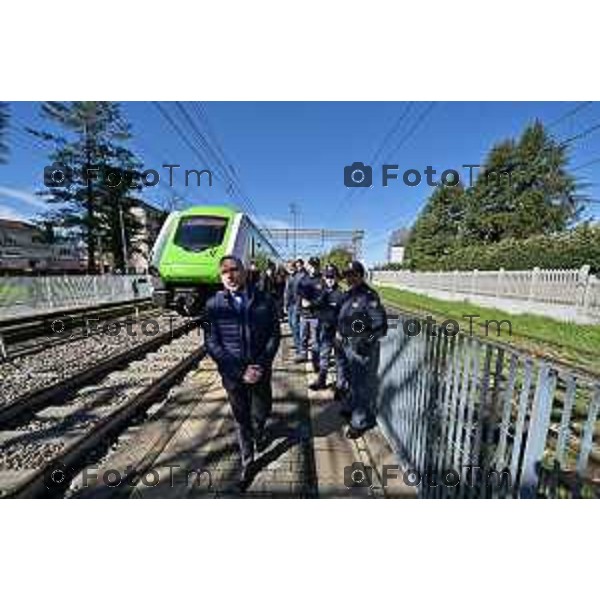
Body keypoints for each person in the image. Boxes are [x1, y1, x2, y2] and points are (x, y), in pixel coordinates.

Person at [204, 255, 281, 483]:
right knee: (241, 418)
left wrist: (261, 364)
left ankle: (259, 431)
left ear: (244, 272)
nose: (230, 275)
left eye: (234, 269)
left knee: (262, 409)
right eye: (225, 271)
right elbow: (210, 342)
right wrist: (238, 371)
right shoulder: (211, 306)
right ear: (220, 276)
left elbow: (274, 335)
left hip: (260, 370)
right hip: (233, 375)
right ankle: (247, 461)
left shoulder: (265, 300)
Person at [337, 260, 388, 438]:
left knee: (361, 386)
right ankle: (351, 408)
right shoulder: (349, 294)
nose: (349, 278)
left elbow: (380, 326)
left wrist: (365, 342)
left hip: (360, 347)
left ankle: (360, 422)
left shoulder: (369, 296)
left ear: (361, 275)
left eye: (353, 274)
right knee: (351, 381)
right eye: (347, 275)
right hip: (345, 343)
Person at [309, 264, 347, 392]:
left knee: (339, 360)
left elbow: (345, 315)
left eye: (332, 277)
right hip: (324, 330)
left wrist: (340, 331)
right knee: (323, 357)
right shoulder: (322, 292)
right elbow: (315, 308)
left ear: (337, 278)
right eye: (327, 276)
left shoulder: (341, 294)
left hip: (337, 332)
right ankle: (321, 380)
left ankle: (340, 385)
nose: (330, 279)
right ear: (324, 277)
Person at [295, 256, 323, 368]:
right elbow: (299, 295)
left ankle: (316, 360)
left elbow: (324, 297)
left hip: (316, 315)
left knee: (315, 339)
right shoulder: (303, 279)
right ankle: (303, 354)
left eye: (316, 266)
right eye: (312, 266)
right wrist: (299, 309)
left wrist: (312, 303)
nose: (314, 268)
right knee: (303, 336)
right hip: (304, 314)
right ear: (308, 266)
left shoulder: (322, 280)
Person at [285, 258, 305, 351]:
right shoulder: (288, 277)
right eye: (288, 267)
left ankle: (300, 347)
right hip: (290, 304)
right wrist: (285, 304)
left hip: (297, 304)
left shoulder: (300, 276)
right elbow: (286, 292)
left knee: (295, 324)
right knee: (291, 324)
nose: (290, 268)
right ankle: (298, 343)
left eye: (291, 266)